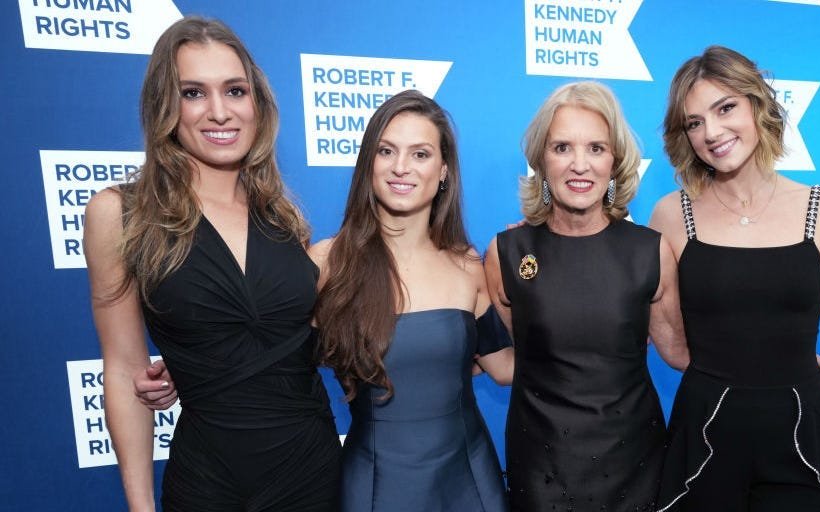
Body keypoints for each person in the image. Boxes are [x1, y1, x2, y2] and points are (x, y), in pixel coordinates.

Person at [649, 46, 820, 511]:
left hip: (801, 439)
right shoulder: (670, 215)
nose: (711, 132)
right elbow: (673, 346)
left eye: (725, 108)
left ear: (757, 105)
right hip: (703, 436)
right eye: (694, 122)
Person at [84, 16, 341, 511]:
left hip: (313, 472)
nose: (220, 112)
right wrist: (141, 507)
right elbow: (123, 369)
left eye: (235, 91)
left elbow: (301, 341)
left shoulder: (285, 220)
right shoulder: (120, 214)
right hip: (208, 482)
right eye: (194, 93)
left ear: (257, 103)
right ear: (165, 106)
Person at [484, 81, 690, 512]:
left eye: (596, 148)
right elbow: (503, 359)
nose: (580, 165)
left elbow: (681, 353)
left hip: (636, 465)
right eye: (562, 148)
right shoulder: (507, 254)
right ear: (541, 159)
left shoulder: (649, 252)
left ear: (615, 161)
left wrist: (779, 359)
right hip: (540, 469)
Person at [312, 90, 512, 511]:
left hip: (469, 482)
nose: (401, 167)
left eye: (420, 154)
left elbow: (505, 368)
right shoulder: (328, 263)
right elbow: (275, 365)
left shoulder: (466, 264)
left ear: (443, 171)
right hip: (375, 487)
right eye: (386, 151)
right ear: (368, 163)